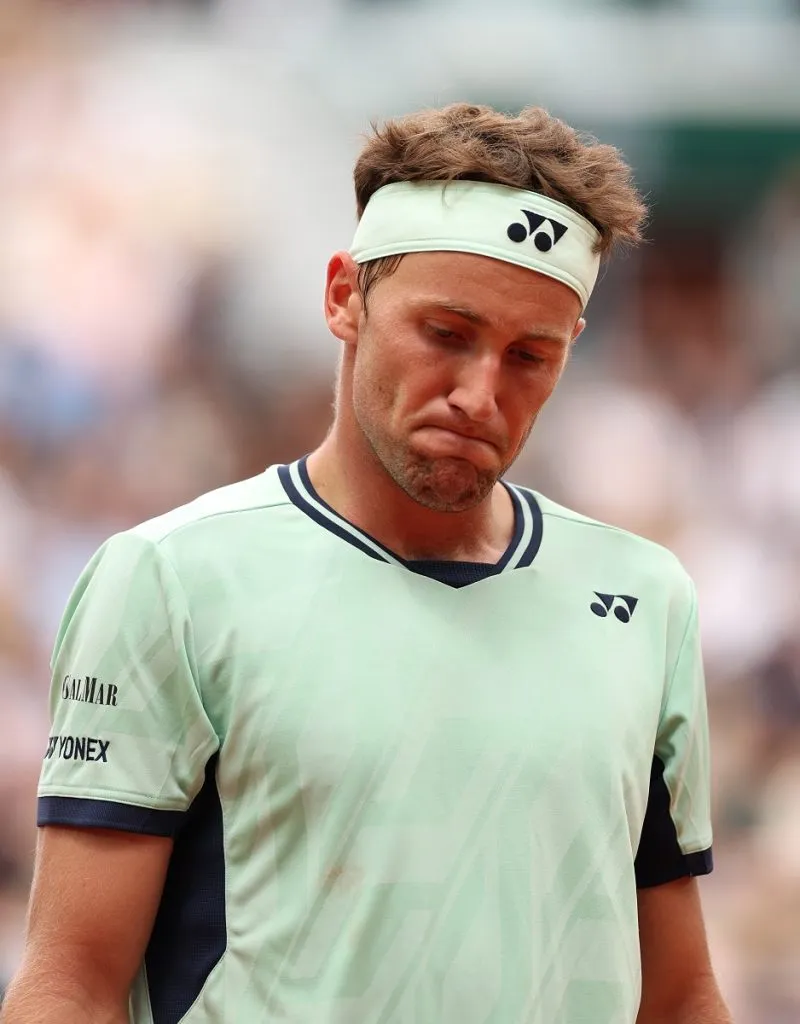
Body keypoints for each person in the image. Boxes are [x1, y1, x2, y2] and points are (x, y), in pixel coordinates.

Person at [1, 103, 731, 1024]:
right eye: (447, 333)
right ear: (344, 296)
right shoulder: (167, 579)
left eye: (529, 355)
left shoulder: (644, 599)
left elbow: (680, 993)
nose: (480, 394)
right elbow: (70, 986)